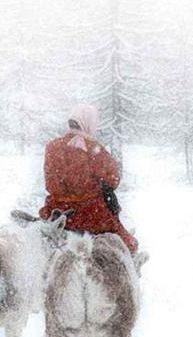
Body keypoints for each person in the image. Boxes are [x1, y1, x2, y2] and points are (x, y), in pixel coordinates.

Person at [38, 104, 139, 254]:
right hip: (92, 215)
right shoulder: (94, 149)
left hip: (57, 211)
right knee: (129, 246)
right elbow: (113, 179)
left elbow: (50, 182)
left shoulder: (52, 147)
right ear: (89, 124)